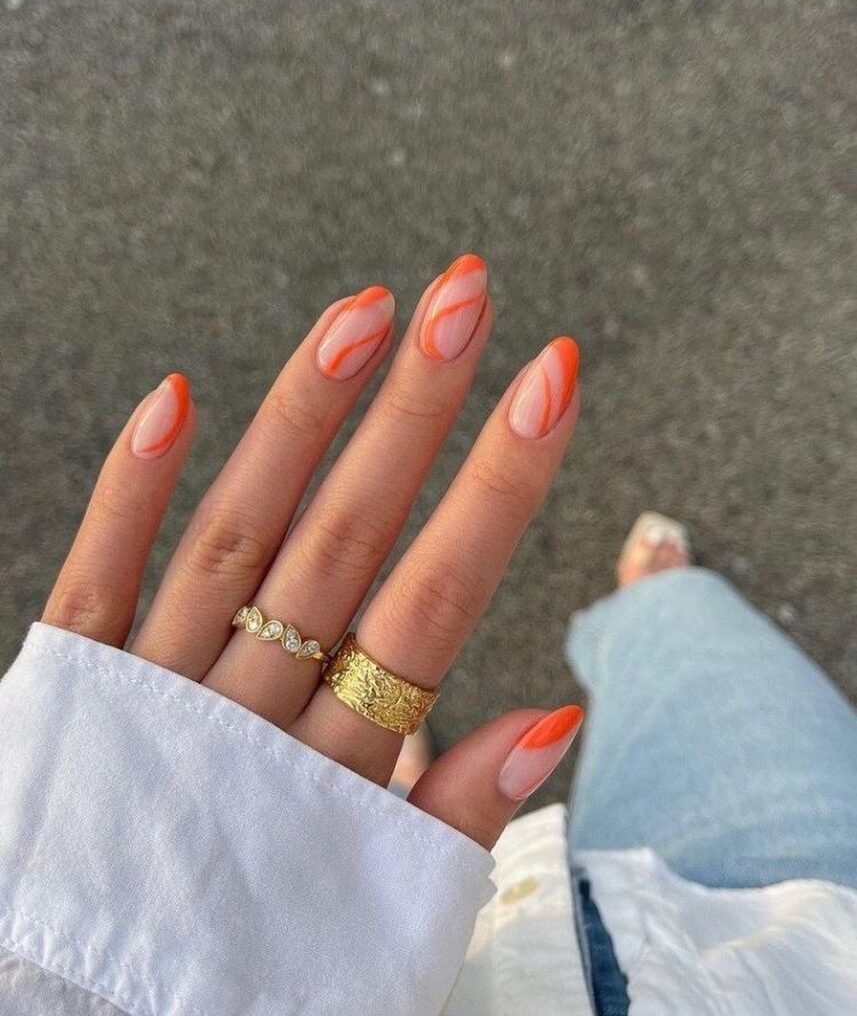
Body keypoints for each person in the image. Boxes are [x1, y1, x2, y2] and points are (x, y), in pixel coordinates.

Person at [0, 256, 854, 1016]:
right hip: (785, 947)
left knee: (680, 663)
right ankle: (653, 608)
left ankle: (364, 780)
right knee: (694, 645)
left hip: (447, 947)